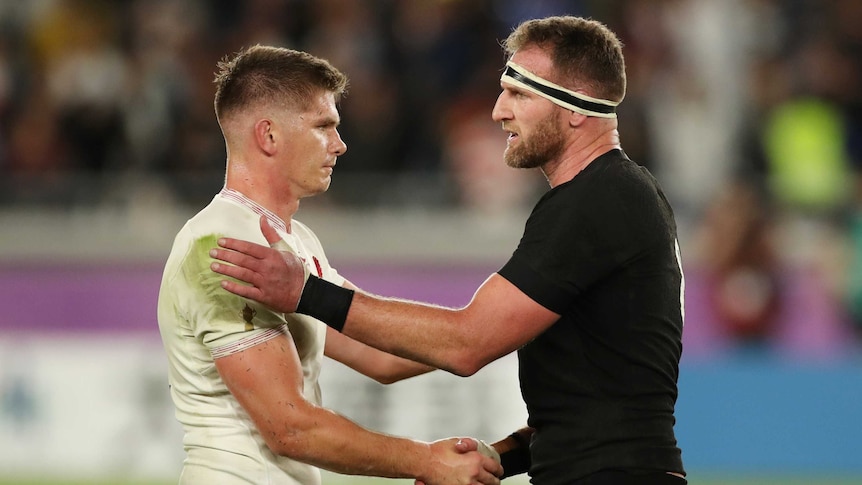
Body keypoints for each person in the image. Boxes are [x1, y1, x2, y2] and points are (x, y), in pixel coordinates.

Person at [211, 16, 687, 485]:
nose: (499, 111)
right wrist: (496, 458)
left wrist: (306, 293)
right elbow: (594, 407)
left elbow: (467, 343)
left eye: (519, 93)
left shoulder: (598, 200)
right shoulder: (610, 197)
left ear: (577, 108)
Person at [156, 44, 502, 485]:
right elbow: (290, 427)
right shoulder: (222, 246)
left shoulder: (296, 242)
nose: (340, 144)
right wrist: (426, 460)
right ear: (269, 136)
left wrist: (503, 327)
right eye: (324, 126)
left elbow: (380, 355)